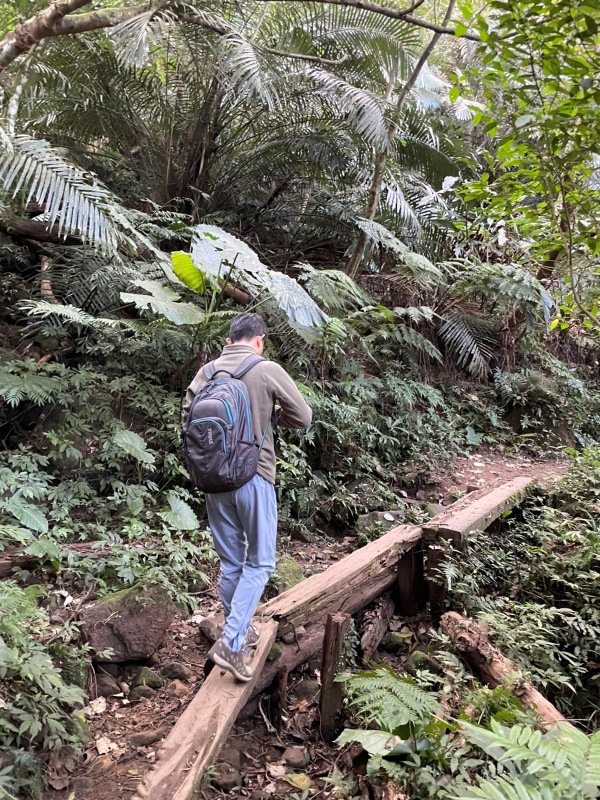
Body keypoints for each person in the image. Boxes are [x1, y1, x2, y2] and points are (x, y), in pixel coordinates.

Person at [182, 313, 312, 681]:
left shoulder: (206, 373)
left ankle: (238, 633)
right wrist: (269, 419)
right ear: (259, 340)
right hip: (255, 475)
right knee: (260, 563)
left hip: (214, 479)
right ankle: (232, 642)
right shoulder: (265, 368)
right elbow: (302, 416)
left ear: (229, 340)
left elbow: (187, 420)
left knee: (231, 563)